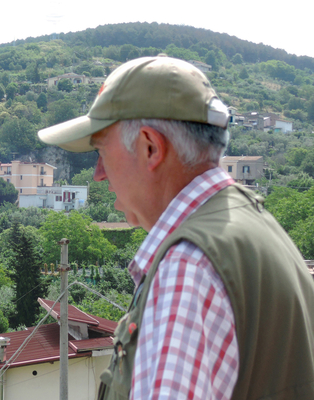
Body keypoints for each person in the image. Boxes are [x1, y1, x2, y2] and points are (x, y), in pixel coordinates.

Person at [38, 55, 314, 400]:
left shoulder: (188, 265)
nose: (99, 173)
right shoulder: (254, 228)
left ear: (150, 147)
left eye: (101, 151)